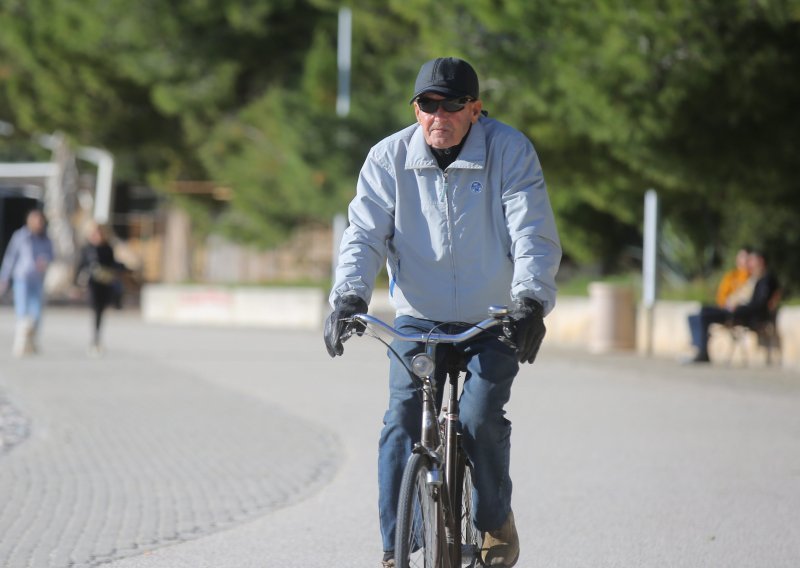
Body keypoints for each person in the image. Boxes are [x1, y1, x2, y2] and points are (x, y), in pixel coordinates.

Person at [324, 57, 561, 568]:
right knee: (400, 420)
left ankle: (494, 522)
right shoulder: (387, 158)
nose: (440, 115)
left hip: (495, 315)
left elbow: (532, 233)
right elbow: (364, 235)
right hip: (418, 317)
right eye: (428, 104)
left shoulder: (509, 151)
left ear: (475, 109)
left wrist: (531, 302)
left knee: (478, 417)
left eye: (453, 104)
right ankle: (396, 548)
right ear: (416, 110)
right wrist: (347, 297)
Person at [687, 249, 780, 363]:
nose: (749, 264)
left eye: (752, 260)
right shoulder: (754, 278)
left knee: (705, 316)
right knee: (702, 310)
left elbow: (759, 305)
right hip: (738, 311)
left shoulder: (766, 279)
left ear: (760, 261)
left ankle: (702, 352)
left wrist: (740, 308)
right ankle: (699, 347)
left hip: (744, 315)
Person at [0, 208, 54, 357]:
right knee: (22, 311)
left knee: (36, 313)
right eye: (35, 220)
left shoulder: (46, 239)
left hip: (37, 279)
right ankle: (20, 344)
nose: (38, 223)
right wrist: (4, 277)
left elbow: (51, 255)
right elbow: (11, 257)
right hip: (21, 277)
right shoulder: (20, 236)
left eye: (40, 220)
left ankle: (33, 342)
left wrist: (45, 261)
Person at [75, 223, 124, 356]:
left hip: (105, 283)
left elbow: (113, 264)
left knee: (101, 311)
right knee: (96, 310)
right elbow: (80, 266)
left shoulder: (107, 248)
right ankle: (95, 340)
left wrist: (119, 268)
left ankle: (97, 339)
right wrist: (76, 285)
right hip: (92, 284)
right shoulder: (87, 249)